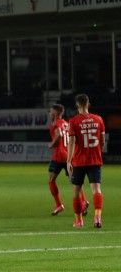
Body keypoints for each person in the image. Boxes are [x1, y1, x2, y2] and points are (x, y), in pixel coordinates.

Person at [67, 94, 105, 229]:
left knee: (76, 192)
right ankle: (97, 217)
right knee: (96, 189)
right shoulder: (99, 119)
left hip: (79, 161)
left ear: (77, 105)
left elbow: (71, 142)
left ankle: (79, 221)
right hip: (95, 159)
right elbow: (102, 142)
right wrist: (96, 152)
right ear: (88, 104)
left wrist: (68, 160)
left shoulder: (74, 121)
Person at [47, 103, 86, 216]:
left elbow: (58, 135)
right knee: (75, 181)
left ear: (55, 113)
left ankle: (59, 205)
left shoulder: (55, 123)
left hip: (59, 156)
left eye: (51, 111)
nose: (50, 113)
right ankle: (83, 202)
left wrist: (52, 144)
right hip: (69, 155)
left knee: (51, 180)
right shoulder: (67, 123)